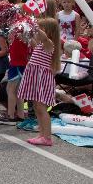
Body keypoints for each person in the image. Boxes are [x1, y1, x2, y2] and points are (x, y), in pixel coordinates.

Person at [18, 17, 61, 146]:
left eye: (41, 29)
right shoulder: (42, 45)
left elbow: (43, 37)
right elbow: (29, 40)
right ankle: (42, 134)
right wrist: (22, 31)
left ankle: (47, 137)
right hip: (36, 78)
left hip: (42, 79)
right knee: (37, 107)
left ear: (48, 31)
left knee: (41, 108)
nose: (38, 31)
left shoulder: (49, 44)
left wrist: (32, 24)